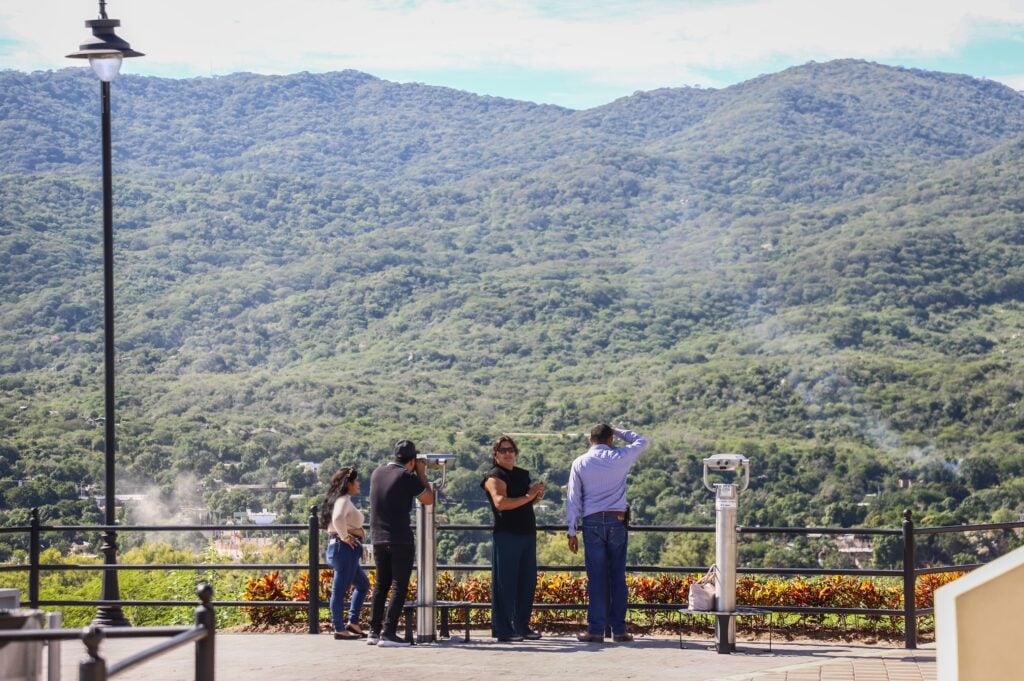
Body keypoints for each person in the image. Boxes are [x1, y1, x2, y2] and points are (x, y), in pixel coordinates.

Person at [566, 424, 650, 643]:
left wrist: (571, 530)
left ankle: (595, 630)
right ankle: (619, 630)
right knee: (617, 577)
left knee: (596, 579)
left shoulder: (580, 462)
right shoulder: (621, 456)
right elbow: (643, 441)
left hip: (591, 522)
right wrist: (620, 430)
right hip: (616, 520)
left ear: (589, 440)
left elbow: (573, 498)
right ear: (610, 439)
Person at [367, 439, 434, 647]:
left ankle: (374, 632)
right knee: (399, 585)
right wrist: (421, 474)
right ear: (413, 461)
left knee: (381, 584)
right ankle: (389, 633)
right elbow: (428, 499)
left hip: (378, 538)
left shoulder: (377, 473)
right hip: (400, 539)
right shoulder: (407, 476)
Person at [481, 436, 546, 642]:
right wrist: (529, 496)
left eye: (511, 450)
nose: (508, 453)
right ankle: (503, 629)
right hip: (507, 534)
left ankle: (521, 626)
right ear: (496, 454)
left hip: (527, 533)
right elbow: (500, 503)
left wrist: (535, 497)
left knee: (527, 582)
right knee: (505, 583)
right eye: (503, 450)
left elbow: (522, 504)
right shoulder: (494, 476)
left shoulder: (522, 474)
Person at [320, 467, 371, 640]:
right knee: (339, 590)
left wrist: (348, 533)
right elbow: (337, 519)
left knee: (363, 584)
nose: (358, 484)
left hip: (343, 549)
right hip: (344, 549)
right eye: (356, 481)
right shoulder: (343, 500)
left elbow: (335, 522)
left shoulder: (340, 500)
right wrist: (345, 536)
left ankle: (352, 623)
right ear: (348, 483)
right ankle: (339, 628)